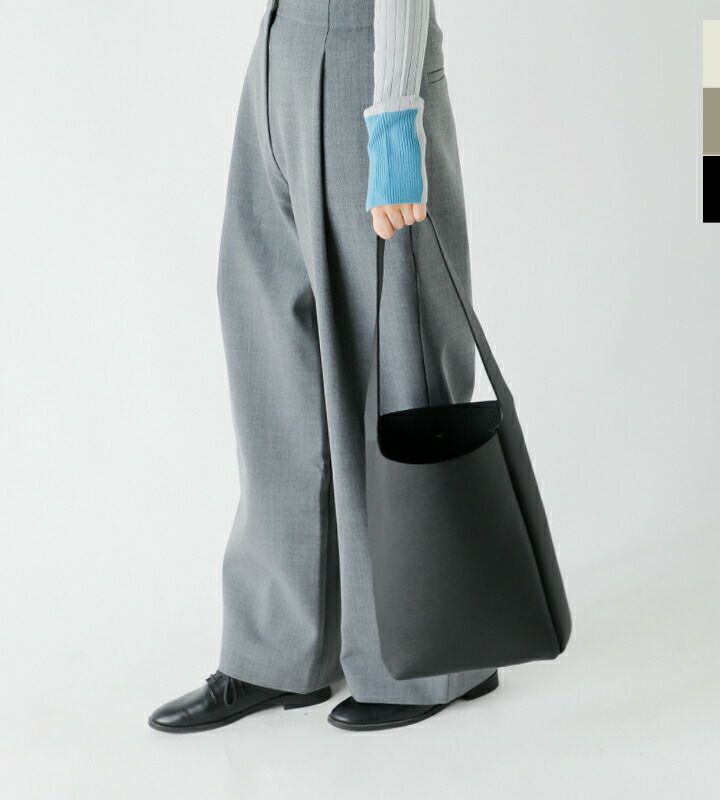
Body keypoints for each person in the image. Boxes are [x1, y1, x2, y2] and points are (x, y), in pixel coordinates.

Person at [148, 0, 498, 733]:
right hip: (279, 51)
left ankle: (435, 654)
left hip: (367, 56)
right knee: (270, 350)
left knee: (394, 354)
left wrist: (396, 108)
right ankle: (279, 651)